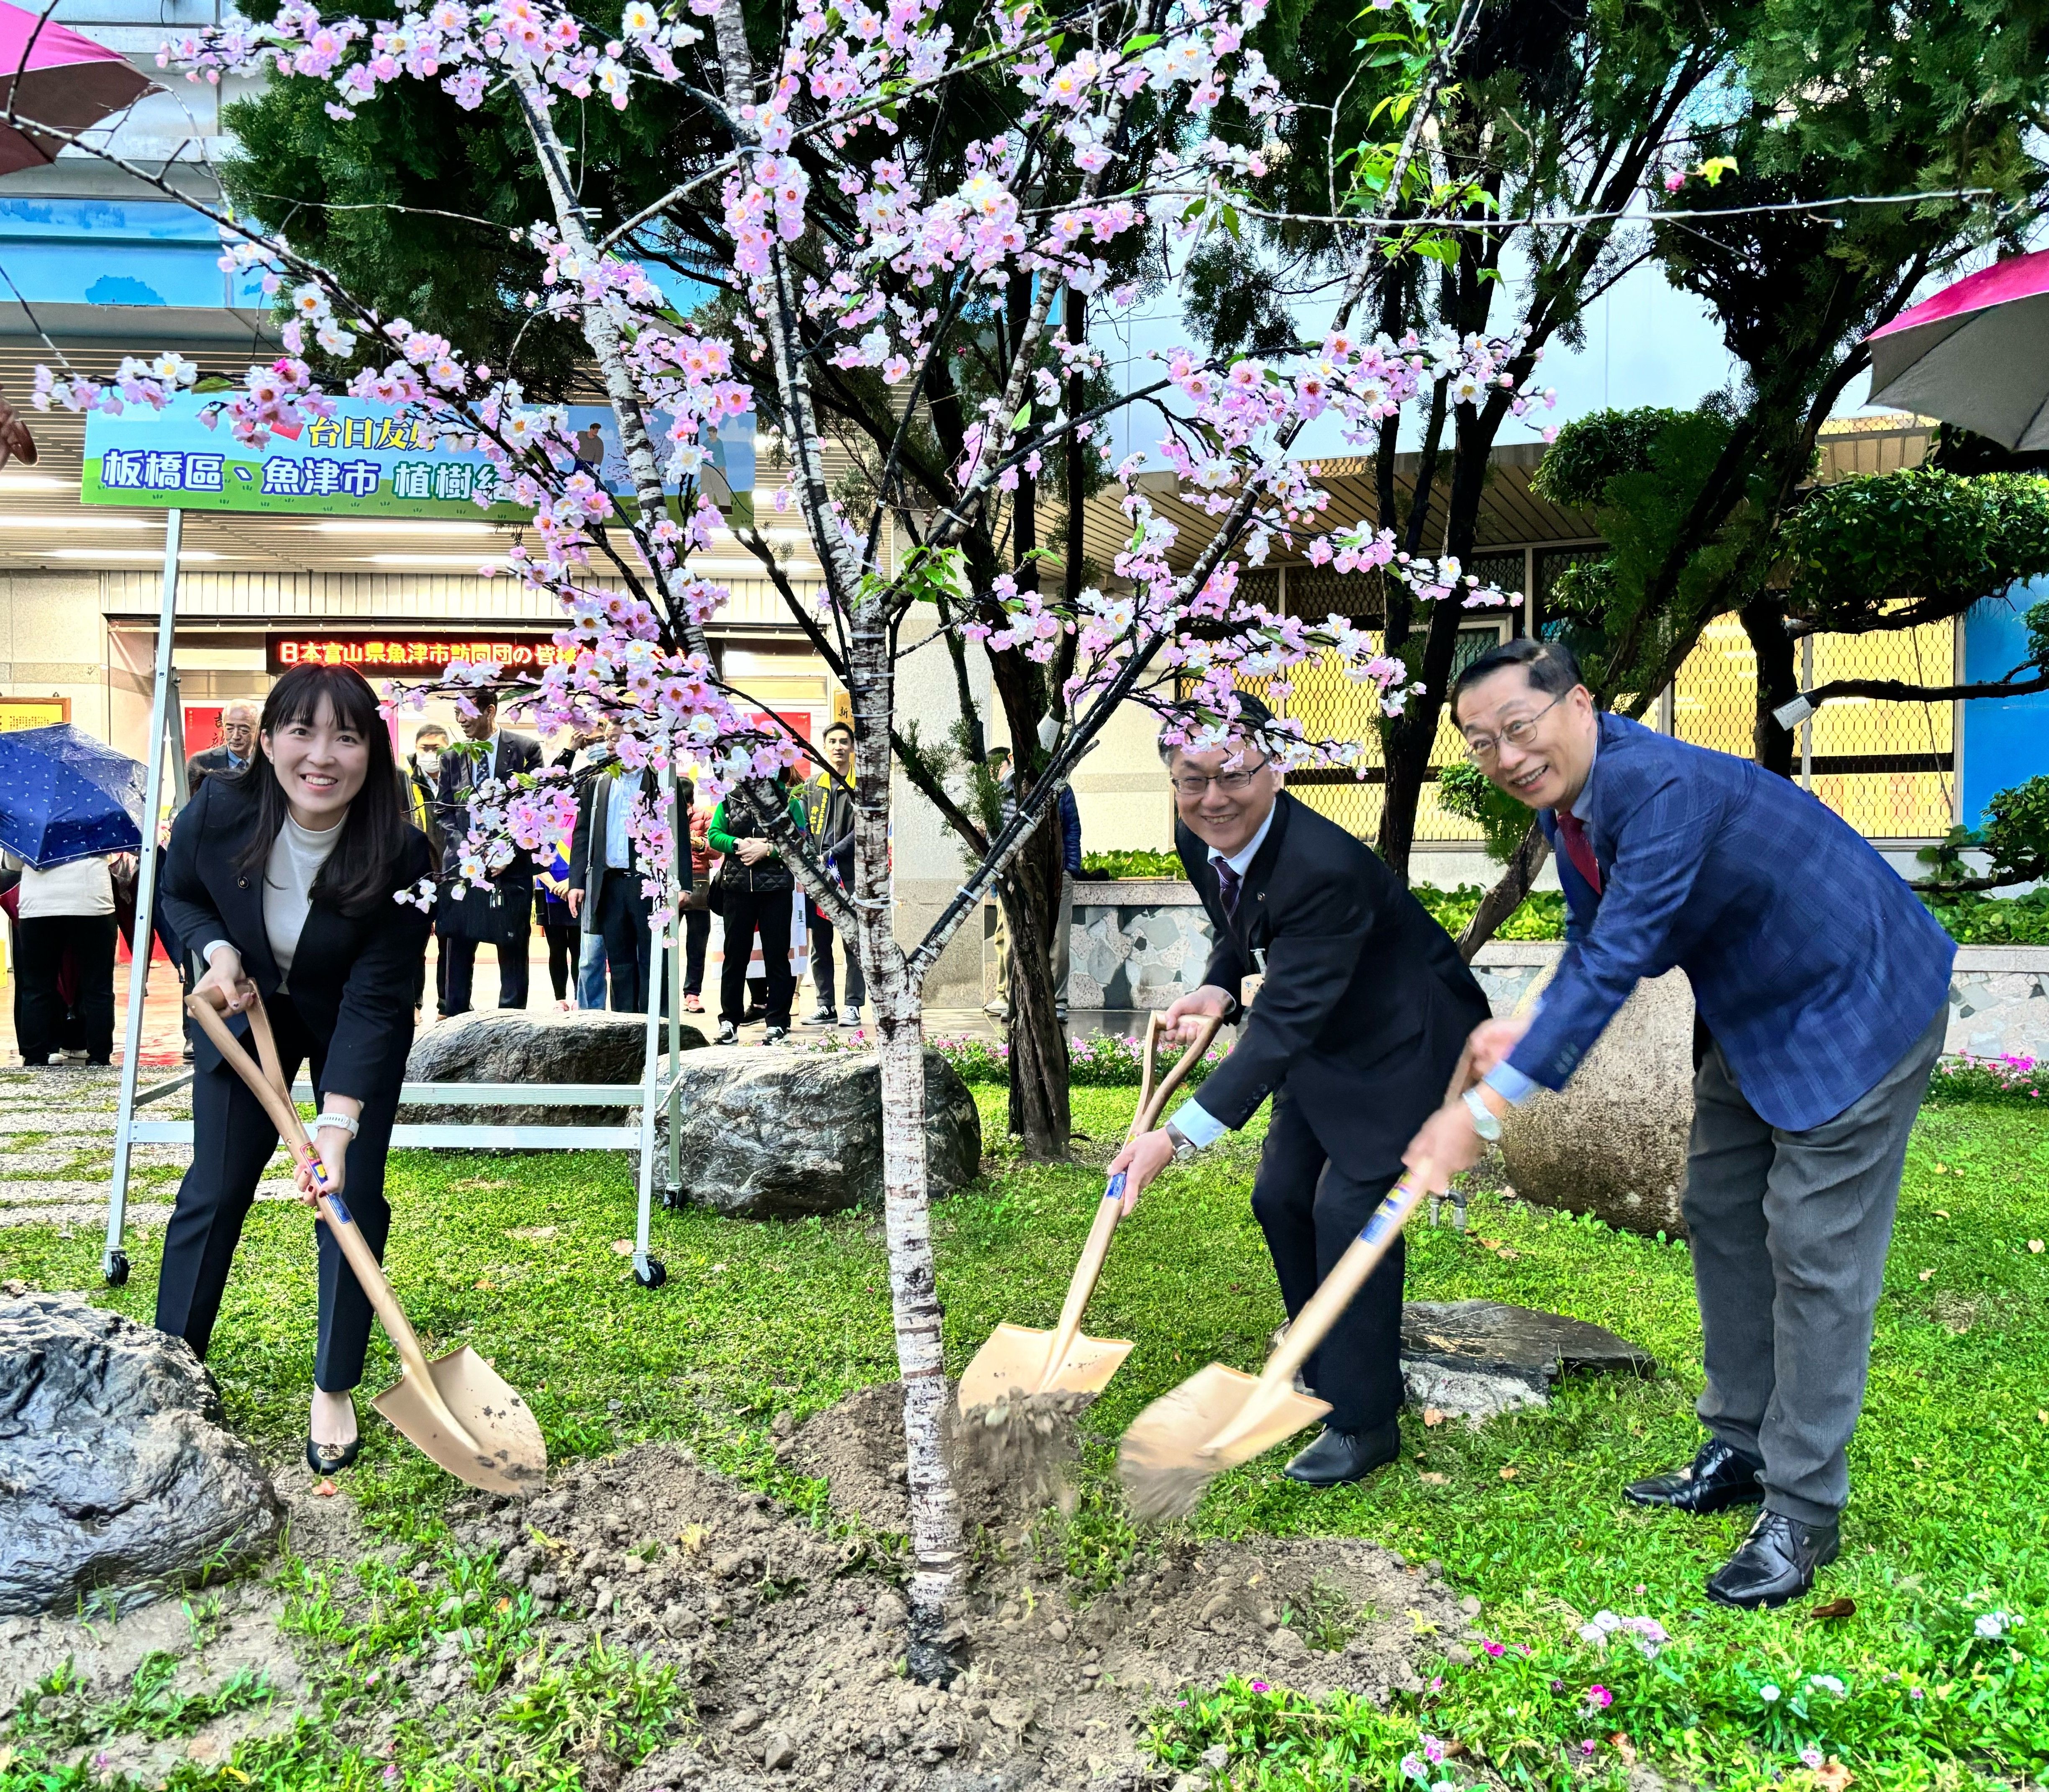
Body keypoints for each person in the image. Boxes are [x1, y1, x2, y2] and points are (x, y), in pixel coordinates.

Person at [1405, 637, 1955, 1610]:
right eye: (1481, 743)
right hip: (1754, 1011)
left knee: (1815, 1250)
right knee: (1717, 1206)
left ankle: (1802, 1506)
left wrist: (1481, 1114)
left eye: (1517, 727)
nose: (1504, 756)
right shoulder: (1571, 805)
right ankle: (1739, 1441)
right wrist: (1526, 1024)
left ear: (1577, 702)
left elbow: (1619, 956)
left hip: (1856, 1004)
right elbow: (1596, 938)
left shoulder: (1652, 785)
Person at [1109, 694, 1490, 1487]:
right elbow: (1237, 920)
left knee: (1347, 1212)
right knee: (1278, 1197)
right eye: (1191, 780)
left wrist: (1173, 1138)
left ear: (1273, 768)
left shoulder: (1321, 866)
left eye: (1233, 775)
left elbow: (1277, 1029)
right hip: (1323, 1026)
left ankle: (1364, 1420)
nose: (1212, 798)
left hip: (1406, 1037)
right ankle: (1319, 1362)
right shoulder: (1197, 831)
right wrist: (1219, 986)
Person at [156, 662, 433, 1474]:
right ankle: (173, 1363)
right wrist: (212, 950)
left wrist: (337, 1124)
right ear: (268, 739)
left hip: (350, 1015)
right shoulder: (217, 810)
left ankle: (334, 1383)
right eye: (301, 730)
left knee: (349, 1191)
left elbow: (380, 996)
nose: (322, 754)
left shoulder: (401, 850)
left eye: (345, 735)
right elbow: (180, 894)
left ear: (370, 750)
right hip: (245, 1012)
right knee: (215, 1185)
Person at [435, 697, 542, 1015]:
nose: (460, 720)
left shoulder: (526, 749)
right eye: (455, 713)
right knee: (458, 948)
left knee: (513, 950)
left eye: (465, 713)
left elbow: (535, 807)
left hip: (510, 871)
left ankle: (509, 1022)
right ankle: (456, 1019)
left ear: (490, 711)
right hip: (465, 868)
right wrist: (472, 850)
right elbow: (444, 811)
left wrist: (508, 850)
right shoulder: (453, 756)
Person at [566, 747, 690, 1014]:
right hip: (609, 885)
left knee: (654, 961)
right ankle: (624, 1027)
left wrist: (682, 883)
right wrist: (576, 881)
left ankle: (657, 1029)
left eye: (617, 740)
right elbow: (582, 832)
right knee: (620, 964)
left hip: (651, 885)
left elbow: (680, 831)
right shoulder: (598, 781)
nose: (611, 747)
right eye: (609, 741)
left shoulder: (662, 780)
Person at [983, 745, 1081, 1022]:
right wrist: (999, 880)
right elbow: (996, 837)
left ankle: (1058, 1001)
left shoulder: (1061, 789)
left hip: (1057, 871)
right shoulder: (1006, 790)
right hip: (1017, 874)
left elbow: (1073, 830)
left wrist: (1070, 870)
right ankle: (1016, 999)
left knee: (1058, 941)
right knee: (1017, 940)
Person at [709, 773, 806, 1044]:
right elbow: (714, 835)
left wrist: (769, 849)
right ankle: (729, 1021)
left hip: (775, 890)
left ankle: (778, 1021)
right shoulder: (730, 799)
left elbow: (799, 840)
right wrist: (738, 844)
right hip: (737, 890)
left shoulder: (788, 801)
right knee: (735, 957)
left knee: (777, 957)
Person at [13, 849, 119, 1066]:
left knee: (37, 987)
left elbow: (14, 864)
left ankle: (35, 1058)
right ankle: (99, 1057)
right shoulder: (98, 815)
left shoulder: (31, 816)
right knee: (98, 988)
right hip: (93, 902)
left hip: (38, 907)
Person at [799, 721, 865, 1027]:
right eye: (833, 741)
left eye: (844, 741)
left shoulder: (861, 784)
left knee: (853, 941)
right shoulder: (812, 786)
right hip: (817, 875)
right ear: (824, 747)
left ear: (852, 747)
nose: (838, 746)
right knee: (820, 942)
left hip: (848, 873)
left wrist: (829, 855)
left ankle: (853, 1004)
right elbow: (801, 827)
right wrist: (812, 859)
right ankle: (826, 1004)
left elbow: (863, 831)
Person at [404, 725, 450, 1015]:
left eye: (437, 748)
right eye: (426, 748)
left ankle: (449, 1004)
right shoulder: (405, 781)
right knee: (413, 945)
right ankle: (413, 1004)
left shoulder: (459, 780)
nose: (431, 754)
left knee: (452, 944)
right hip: (417, 875)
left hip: (452, 875)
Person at [682, 796, 714, 1013]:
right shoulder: (662, 816)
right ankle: (660, 989)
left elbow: (717, 850)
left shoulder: (704, 817)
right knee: (662, 941)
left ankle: (693, 994)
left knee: (698, 942)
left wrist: (700, 843)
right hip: (667, 883)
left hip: (699, 883)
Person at [186, 702, 258, 793]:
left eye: (244, 730)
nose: (236, 736)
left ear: (258, 730)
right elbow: (182, 804)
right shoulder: (200, 763)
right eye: (229, 729)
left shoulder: (271, 763)